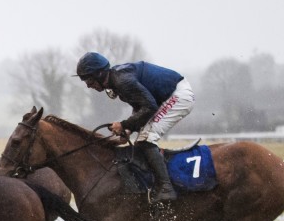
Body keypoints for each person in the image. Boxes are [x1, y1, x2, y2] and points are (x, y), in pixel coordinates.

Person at [75, 52, 195, 203]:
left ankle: (166, 188)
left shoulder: (122, 81)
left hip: (177, 96)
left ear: (99, 74)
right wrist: (128, 130)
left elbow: (149, 107)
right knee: (143, 139)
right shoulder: (117, 79)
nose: (88, 85)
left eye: (89, 79)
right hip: (167, 96)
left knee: (147, 138)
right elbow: (140, 106)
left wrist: (124, 124)